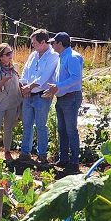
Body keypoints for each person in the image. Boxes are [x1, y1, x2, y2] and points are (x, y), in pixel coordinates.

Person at [18, 29, 60, 164]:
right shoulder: (33, 55)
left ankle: (42, 154)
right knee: (27, 124)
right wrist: (24, 86)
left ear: (43, 42)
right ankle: (25, 152)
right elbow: (25, 71)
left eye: (34, 43)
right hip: (29, 94)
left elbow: (45, 76)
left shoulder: (53, 56)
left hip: (42, 95)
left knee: (41, 125)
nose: (33, 45)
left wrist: (29, 87)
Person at [46, 32, 84, 173]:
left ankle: (74, 161)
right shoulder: (63, 57)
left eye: (54, 43)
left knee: (70, 130)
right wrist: (54, 88)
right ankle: (64, 159)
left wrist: (58, 87)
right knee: (62, 129)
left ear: (60, 44)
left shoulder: (73, 57)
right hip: (63, 97)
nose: (52, 45)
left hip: (71, 97)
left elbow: (76, 78)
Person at [0, 44, 22, 161]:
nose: (10, 56)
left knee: (8, 128)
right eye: (7, 54)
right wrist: (3, 81)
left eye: (11, 53)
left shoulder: (15, 68)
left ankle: (7, 151)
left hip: (11, 103)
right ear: (0, 57)